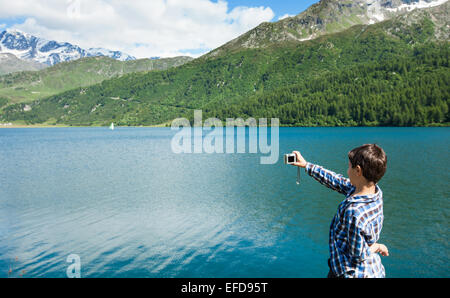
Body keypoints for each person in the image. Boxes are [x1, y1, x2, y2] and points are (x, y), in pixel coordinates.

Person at [291, 144, 389, 278]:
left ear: (358, 171)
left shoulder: (353, 211)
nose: (347, 171)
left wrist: (377, 247)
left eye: (349, 166)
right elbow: (335, 181)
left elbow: (359, 254)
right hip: (372, 270)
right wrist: (306, 165)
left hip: (350, 273)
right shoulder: (375, 192)